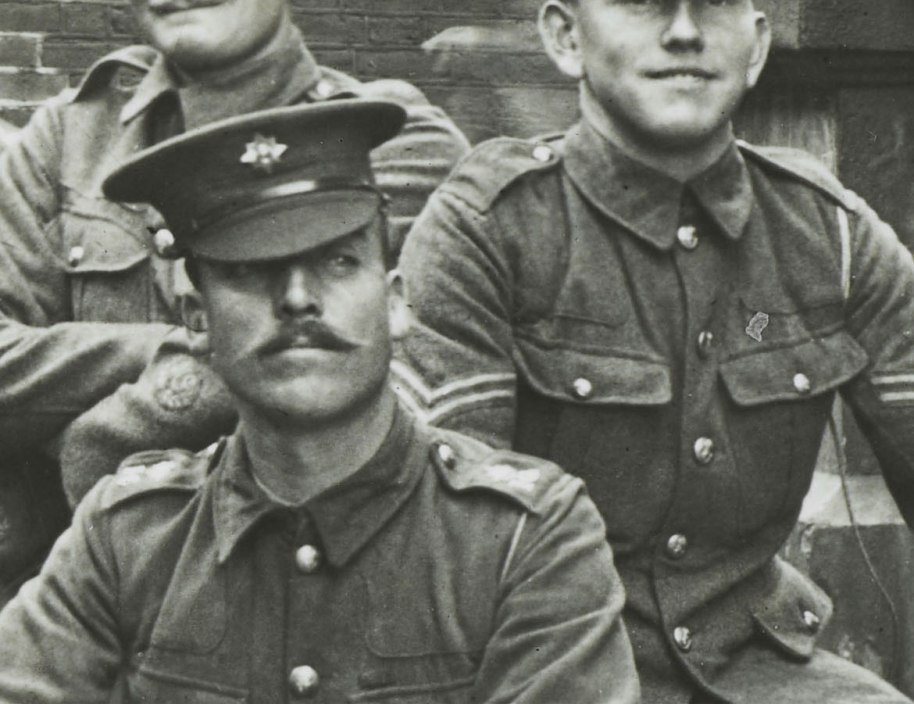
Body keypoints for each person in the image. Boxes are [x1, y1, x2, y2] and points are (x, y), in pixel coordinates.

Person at [396, 0, 914, 703]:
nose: (684, 32)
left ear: (756, 42)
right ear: (564, 37)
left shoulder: (831, 233)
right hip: (543, 666)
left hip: (761, 667)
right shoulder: (491, 228)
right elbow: (451, 548)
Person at [0, 0, 467, 605]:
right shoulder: (67, 141)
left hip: (315, 586)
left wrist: (115, 414)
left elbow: (370, 380)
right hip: (80, 593)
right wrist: (170, 349)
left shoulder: (393, 142)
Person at [0, 99, 638, 704]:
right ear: (197, 320)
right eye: (250, 271)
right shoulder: (128, 537)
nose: (299, 299)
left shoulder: (524, 538)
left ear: (395, 303)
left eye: (336, 260)